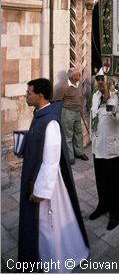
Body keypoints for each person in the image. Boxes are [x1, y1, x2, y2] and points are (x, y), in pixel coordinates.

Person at [18, 78, 89, 271]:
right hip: (37, 177)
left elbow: (51, 160)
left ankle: (55, 261)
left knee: (47, 226)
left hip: (46, 185)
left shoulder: (50, 122)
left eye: (29, 93)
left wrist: (41, 191)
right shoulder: (40, 115)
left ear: (40, 96)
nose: (26, 96)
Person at [89, 68, 119, 230]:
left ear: (111, 81)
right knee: (101, 180)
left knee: (115, 183)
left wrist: (112, 107)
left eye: (103, 79)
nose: (100, 82)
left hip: (112, 147)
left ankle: (116, 212)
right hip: (98, 146)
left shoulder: (118, 97)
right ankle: (102, 205)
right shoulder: (95, 95)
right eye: (98, 78)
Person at [56, 68, 88, 165]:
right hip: (67, 112)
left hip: (77, 111)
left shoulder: (79, 85)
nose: (80, 76)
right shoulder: (64, 87)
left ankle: (79, 152)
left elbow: (81, 97)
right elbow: (58, 99)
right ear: (73, 77)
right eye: (78, 75)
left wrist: (81, 110)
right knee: (68, 135)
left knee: (78, 132)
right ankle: (70, 156)